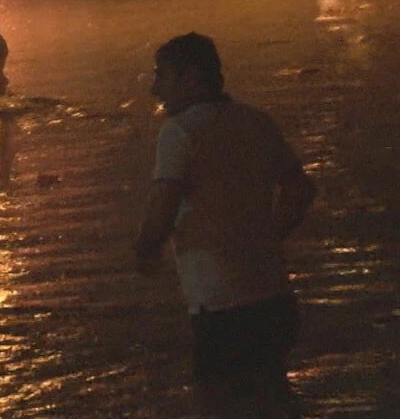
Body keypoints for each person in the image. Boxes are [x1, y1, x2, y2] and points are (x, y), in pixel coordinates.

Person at [134, 33, 316, 398]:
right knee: (276, 407)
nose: (155, 90)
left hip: (221, 305)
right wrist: (266, 238)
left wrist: (145, 250)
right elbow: (300, 190)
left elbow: (162, 205)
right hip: (275, 297)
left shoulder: (180, 132)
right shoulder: (257, 122)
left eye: (161, 77)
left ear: (191, 78)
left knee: (225, 414)